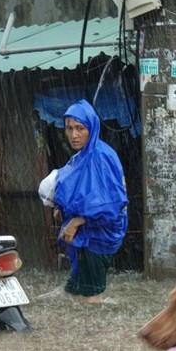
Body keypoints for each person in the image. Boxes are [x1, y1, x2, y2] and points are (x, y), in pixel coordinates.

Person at [48, 100, 128, 303]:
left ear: (91, 128)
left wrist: (76, 221)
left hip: (98, 237)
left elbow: (111, 203)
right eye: (69, 128)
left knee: (91, 300)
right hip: (85, 236)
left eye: (80, 128)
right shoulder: (81, 156)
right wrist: (61, 208)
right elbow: (76, 188)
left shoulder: (101, 157)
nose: (74, 135)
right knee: (73, 295)